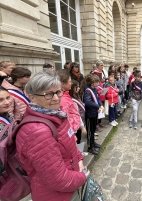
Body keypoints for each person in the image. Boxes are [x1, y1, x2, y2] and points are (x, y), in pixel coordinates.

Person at [15, 71, 89, 201]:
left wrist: (79, 160)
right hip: (56, 195)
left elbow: (70, 143)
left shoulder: (56, 114)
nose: (56, 98)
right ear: (32, 97)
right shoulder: (37, 132)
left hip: (70, 184)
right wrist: (82, 176)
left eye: (58, 92)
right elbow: (58, 180)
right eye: (48, 94)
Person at [81, 74, 104, 155]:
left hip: (94, 113)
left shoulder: (94, 89)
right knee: (90, 131)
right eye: (97, 82)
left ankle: (93, 143)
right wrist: (98, 106)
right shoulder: (87, 90)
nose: (98, 84)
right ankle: (90, 147)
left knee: (93, 130)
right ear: (92, 82)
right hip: (89, 114)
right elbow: (88, 102)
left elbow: (97, 99)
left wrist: (101, 105)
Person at [57, 70, 83, 135]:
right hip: (71, 132)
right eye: (70, 81)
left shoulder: (66, 95)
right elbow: (65, 120)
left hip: (75, 128)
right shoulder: (63, 100)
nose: (71, 83)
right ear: (63, 84)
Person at [70, 79, 87, 145]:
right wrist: (82, 126)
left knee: (79, 138)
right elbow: (76, 113)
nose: (79, 88)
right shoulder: (72, 100)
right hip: (77, 123)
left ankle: (79, 152)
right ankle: (78, 153)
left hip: (80, 120)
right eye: (77, 87)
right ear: (73, 88)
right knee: (77, 139)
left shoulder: (76, 95)